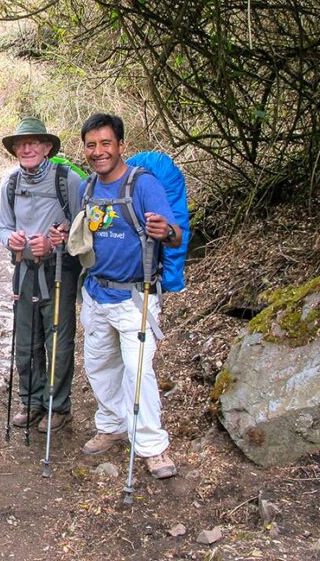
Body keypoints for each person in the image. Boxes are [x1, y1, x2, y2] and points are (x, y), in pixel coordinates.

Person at [77, 112, 182, 479]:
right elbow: (83, 235)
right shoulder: (87, 188)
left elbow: (175, 235)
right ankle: (112, 424)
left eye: (106, 143)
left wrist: (166, 230)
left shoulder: (143, 185)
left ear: (121, 146)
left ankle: (153, 447)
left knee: (138, 373)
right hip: (96, 293)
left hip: (135, 298)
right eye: (91, 145)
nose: (98, 151)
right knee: (99, 366)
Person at [0, 118, 83, 432]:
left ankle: (58, 407)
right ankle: (31, 402)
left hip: (59, 269)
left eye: (34, 142)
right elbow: (3, 227)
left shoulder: (68, 180)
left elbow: (83, 225)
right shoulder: (11, 184)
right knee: (26, 339)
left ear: (47, 147)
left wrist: (57, 239)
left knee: (58, 340)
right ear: (15, 150)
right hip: (23, 268)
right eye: (22, 144)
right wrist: (11, 240)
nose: (28, 148)